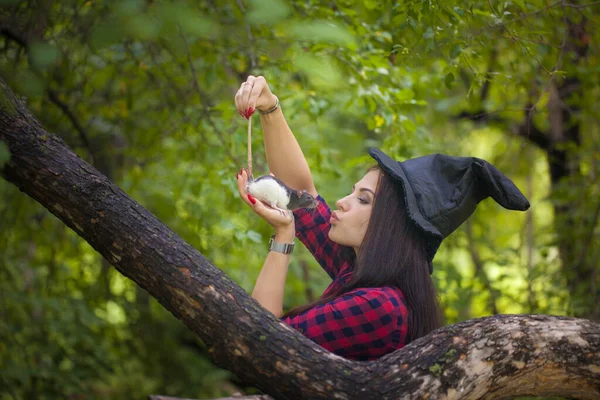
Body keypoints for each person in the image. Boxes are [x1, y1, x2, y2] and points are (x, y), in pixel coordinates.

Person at [233, 76, 530, 362]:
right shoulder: (360, 272)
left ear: (391, 227)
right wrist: (269, 107)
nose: (341, 202)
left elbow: (262, 348)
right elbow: (300, 196)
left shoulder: (380, 307)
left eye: (363, 199)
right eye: (353, 192)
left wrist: (284, 237)